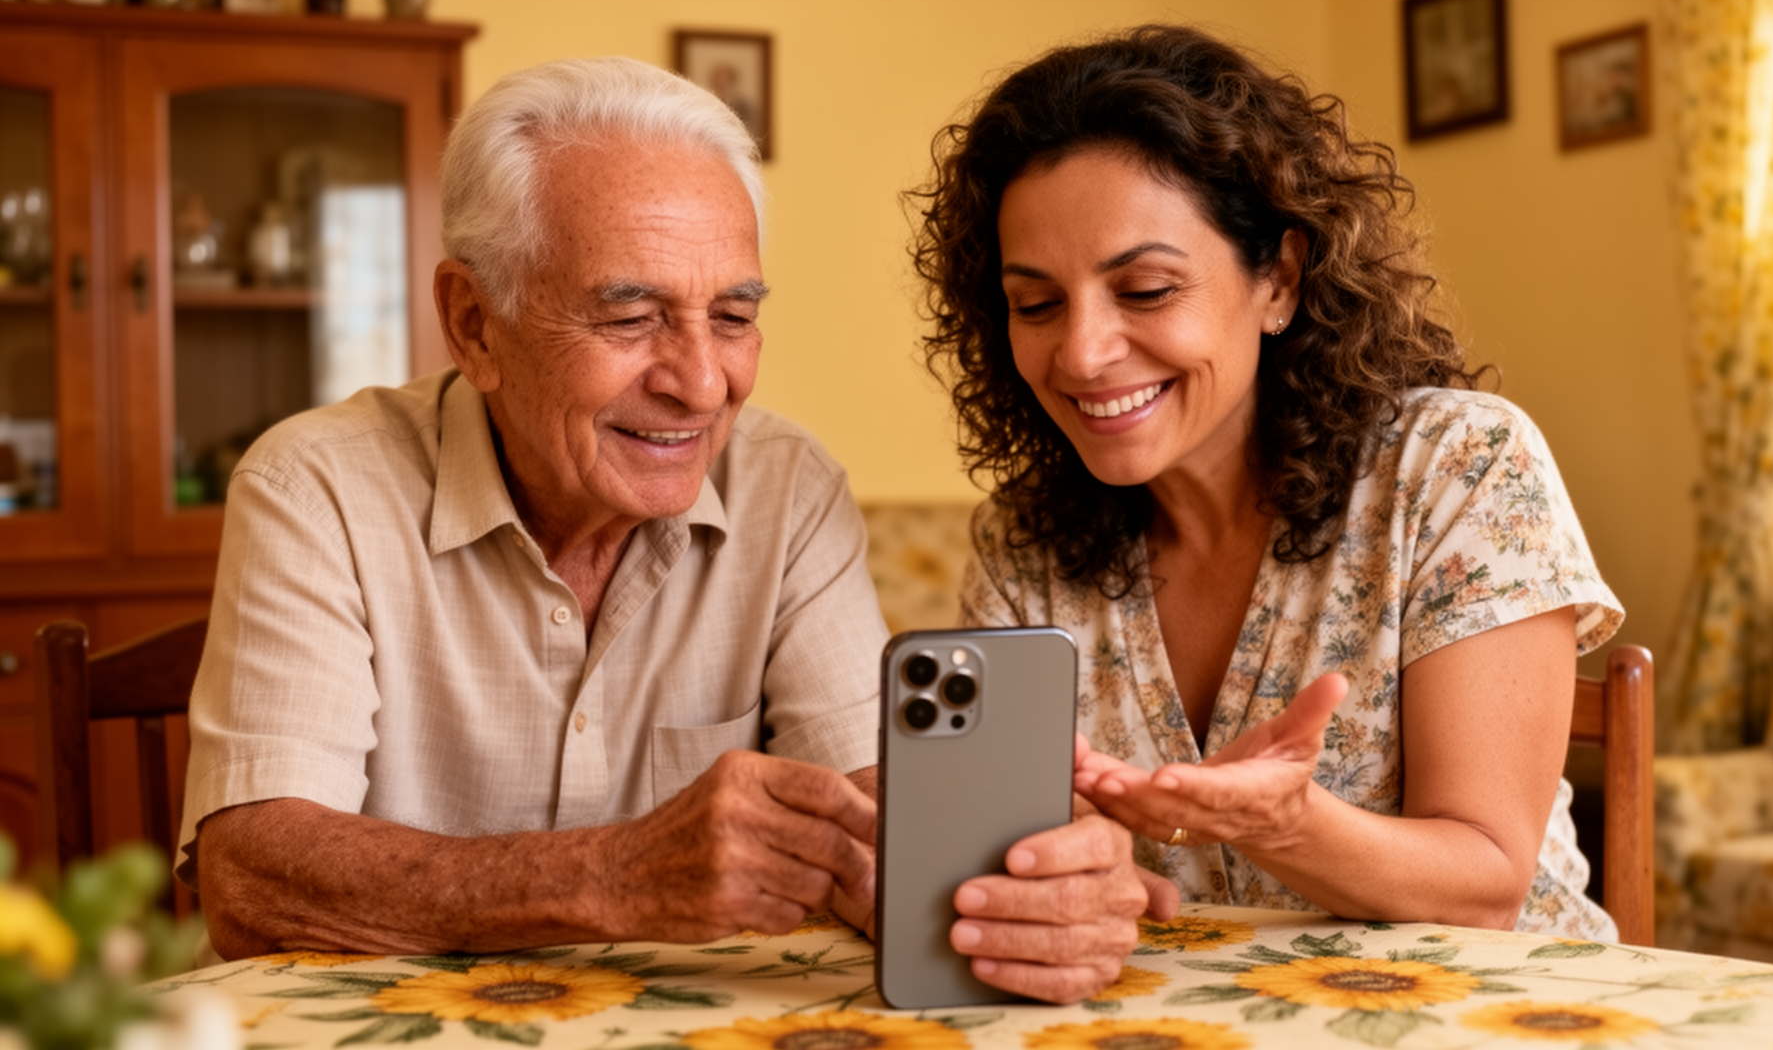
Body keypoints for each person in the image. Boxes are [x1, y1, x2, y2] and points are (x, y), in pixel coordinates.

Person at [179, 56, 1154, 1002]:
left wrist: (1029, 881)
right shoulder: (318, 484)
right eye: (633, 316)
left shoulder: (788, 488)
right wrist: (613, 874)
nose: (698, 382)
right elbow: (252, 878)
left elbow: (876, 824)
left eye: (732, 315)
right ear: (474, 323)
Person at [911, 25, 1625, 939]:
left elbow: (1485, 882)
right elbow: (1011, 856)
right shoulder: (1023, 545)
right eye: (1036, 304)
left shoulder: (1457, 467)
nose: (1082, 353)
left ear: (1279, 278)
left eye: (1146, 290)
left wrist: (1281, 824)